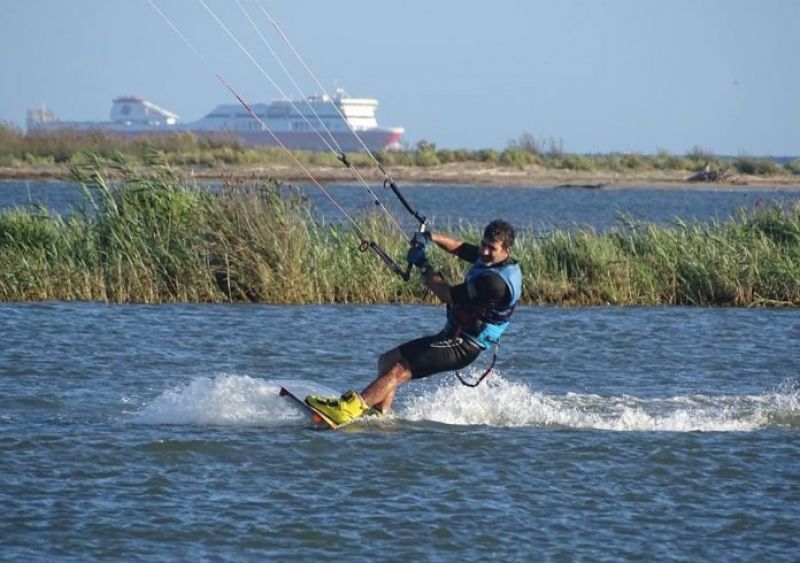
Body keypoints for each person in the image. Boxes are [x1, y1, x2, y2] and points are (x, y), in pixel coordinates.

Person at [306, 219, 523, 424]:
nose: (484, 251)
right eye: (483, 245)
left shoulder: (495, 283)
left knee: (398, 370)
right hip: (452, 335)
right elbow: (458, 247)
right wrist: (429, 237)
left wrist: (423, 265)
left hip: (464, 345)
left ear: (507, 251)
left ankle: (349, 410)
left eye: (491, 248)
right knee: (387, 361)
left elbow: (446, 295)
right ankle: (379, 416)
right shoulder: (489, 258)